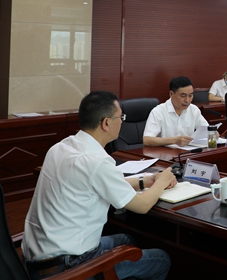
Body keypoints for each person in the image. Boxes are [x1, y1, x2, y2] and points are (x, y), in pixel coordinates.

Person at [23, 91, 176, 280]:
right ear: (106, 123)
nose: (122, 122)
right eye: (121, 118)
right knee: (162, 259)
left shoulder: (60, 147)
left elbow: (97, 184)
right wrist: (162, 181)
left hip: (38, 260)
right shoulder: (97, 161)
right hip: (67, 267)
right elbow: (142, 205)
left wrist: (145, 180)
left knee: (127, 239)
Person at [143, 76, 209, 147]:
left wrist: (212, 133)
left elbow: (206, 130)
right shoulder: (158, 112)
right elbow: (147, 140)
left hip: (188, 151)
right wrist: (175, 140)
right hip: (165, 152)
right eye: (183, 96)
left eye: (190, 96)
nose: (187, 100)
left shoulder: (194, 110)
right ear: (171, 94)